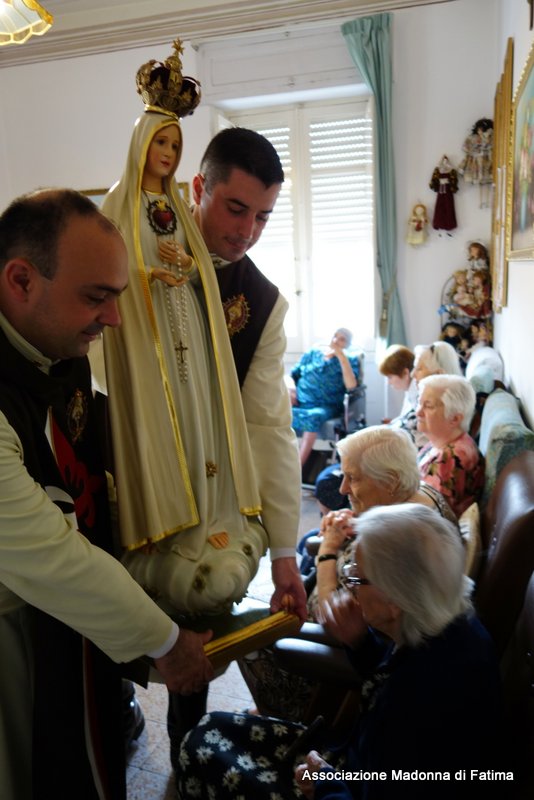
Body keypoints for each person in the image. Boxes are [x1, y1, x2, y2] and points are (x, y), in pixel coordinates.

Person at [99, 43, 305, 764]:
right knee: (106, 629)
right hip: (125, 465)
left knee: (200, 625)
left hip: (209, 491)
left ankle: (186, 747)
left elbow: (268, 426)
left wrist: (287, 550)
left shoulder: (263, 303)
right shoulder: (126, 244)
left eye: (263, 218)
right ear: (196, 187)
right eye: (235, 208)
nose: (246, 231)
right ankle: (116, 712)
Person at [0, 188, 214, 800]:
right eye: (96, 297)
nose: (113, 319)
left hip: (65, 620)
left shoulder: (52, 343)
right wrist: (166, 644)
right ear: (21, 281)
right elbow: (51, 556)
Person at [175, 504, 504, 800]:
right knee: (212, 727)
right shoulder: (449, 626)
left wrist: (325, 782)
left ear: (394, 598)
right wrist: (361, 642)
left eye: (357, 578)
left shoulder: (419, 701)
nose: (350, 585)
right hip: (356, 768)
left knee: (199, 748)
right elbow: (390, 677)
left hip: (348, 784)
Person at [239, 426, 456, 722]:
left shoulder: (389, 544)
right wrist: (358, 518)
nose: (342, 489)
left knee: (245, 633)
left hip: (344, 657)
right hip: (380, 643)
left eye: (352, 478)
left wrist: (329, 549)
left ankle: (279, 714)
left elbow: (334, 617)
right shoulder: (423, 497)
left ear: (391, 481)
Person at [288, 327, 360, 466]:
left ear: (347, 344)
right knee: (277, 411)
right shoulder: (313, 353)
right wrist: (290, 388)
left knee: (313, 417)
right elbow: (291, 375)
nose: (336, 340)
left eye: (342, 339)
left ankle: (297, 468)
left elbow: (351, 385)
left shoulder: (350, 359)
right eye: (335, 336)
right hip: (300, 402)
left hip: (325, 406)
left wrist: (341, 356)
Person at [416, 374, 485, 517]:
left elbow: (425, 514)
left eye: (428, 406)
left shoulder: (450, 457)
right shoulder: (443, 442)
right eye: (419, 403)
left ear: (454, 418)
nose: (418, 412)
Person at [377, 343, 416, 424]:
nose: (389, 382)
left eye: (390, 377)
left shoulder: (417, 395)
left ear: (405, 373)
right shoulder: (409, 390)